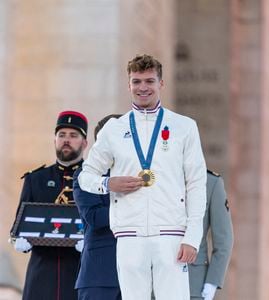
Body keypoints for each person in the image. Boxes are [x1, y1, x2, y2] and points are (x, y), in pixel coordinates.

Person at [78, 54, 207, 300]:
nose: (143, 87)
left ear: (161, 83)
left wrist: (192, 238)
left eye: (149, 81)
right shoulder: (114, 129)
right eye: (136, 82)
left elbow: (196, 184)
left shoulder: (184, 127)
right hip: (129, 233)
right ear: (129, 85)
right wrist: (107, 183)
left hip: (171, 233)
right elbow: (86, 176)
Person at [10, 111, 88, 300]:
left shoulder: (95, 179)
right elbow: (18, 226)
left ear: (84, 143)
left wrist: (90, 242)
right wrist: (18, 240)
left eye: (73, 135)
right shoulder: (35, 179)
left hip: (81, 271)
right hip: (42, 273)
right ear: (54, 140)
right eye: (61, 135)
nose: (66, 140)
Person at [73, 114, 122, 300]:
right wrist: (136, 210)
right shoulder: (86, 174)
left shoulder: (141, 175)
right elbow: (94, 217)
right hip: (100, 274)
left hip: (139, 272)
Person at [189, 170, 233, 300]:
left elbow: (224, 238)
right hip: (154, 281)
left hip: (193, 284)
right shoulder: (158, 177)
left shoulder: (211, 183)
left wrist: (213, 281)